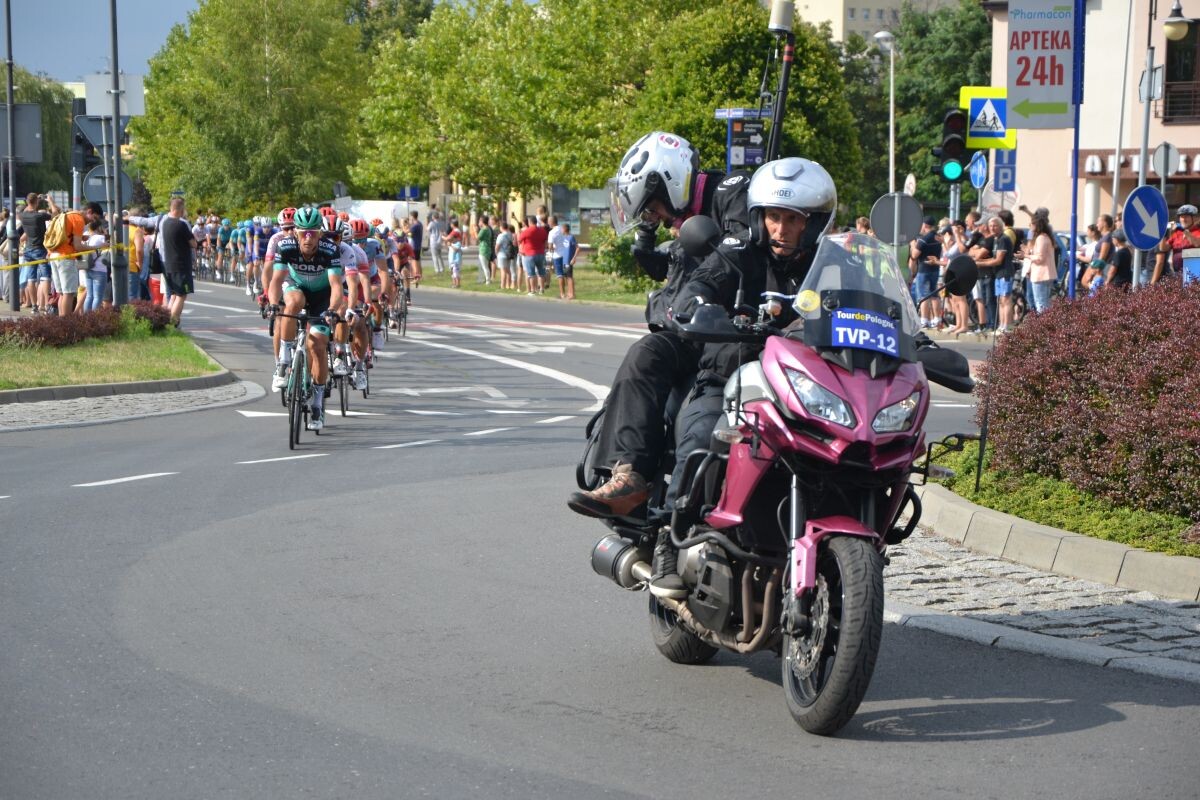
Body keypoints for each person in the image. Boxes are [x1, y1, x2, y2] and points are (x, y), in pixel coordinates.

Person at [649, 156, 836, 597]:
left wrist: (914, 338)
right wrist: (697, 305)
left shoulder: (831, 264)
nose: (780, 229)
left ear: (813, 223)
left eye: (793, 219)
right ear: (758, 216)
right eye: (773, 217)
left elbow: (875, 303)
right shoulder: (739, 253)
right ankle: (667, 540)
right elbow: (701, 284)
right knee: (701, 440)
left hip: (804, 388)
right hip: (732, 380)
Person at [567, 131, 751, 521]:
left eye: (653, 208)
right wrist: (648, 248)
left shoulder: (732, 192)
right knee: (645, 354)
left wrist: (701, 288)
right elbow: (679, 267)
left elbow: (735, 250)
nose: (656, 218)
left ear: (671, 182)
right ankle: (628, 474)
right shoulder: (684, 219)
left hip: (735, 331)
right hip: (688, 331)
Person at [268, 206, 345, 431]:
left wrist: (332, 309)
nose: (308, 238)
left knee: (318, 347)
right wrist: (273, 304)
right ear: (295, 232)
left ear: (320, 233)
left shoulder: (330, 250)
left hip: (322, 297)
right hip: (297, 287)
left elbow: (336, 286)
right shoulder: (286, 246)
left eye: (313, 232)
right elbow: (276, 279)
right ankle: (283, 362)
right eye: (303, 232)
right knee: (291, 304)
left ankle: (318, 404)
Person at [1152, 204, 1200, 284]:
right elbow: (1163, 248)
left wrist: (1184, 231)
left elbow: (1197, 243)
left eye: (1186, 216)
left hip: (1194, 273)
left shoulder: (1197, 231)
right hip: (1178, 273)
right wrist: (1163, 234)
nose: (1183, 219)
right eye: (1181, 217)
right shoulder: (1177, 233)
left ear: (1194, 218)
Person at [909, 216, 942, 328]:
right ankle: (937, 319)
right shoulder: (938, 237)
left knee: (923, 296)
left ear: (925, 225)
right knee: (934, 294)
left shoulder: (924, 239)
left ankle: (924, 320)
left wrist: (913, 245)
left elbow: (914, 256)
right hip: (935, 268)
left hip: (924, 269)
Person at [1024, 213, 1057, 313]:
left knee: (1041, 303)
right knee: (1045, 303)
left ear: (1036, 225)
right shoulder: (1046, 237)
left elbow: (1040, 258)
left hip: (1040, 275)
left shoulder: (1041, 238)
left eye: (1031, 224)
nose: (1030, 226)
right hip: (1045, 275)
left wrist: (1027, 256)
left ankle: (1043, 327)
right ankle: (1047, 325)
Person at [517, 214, 547, 295]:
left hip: (529, 254)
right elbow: (545, 241)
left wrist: (520, 249)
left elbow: (519, 241)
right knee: (541, 272)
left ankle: (533, 290)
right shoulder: (542, 230)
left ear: (529, 222)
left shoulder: (526, 231)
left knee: (531, 273)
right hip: (540, 253)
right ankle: (542, 289)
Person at [556, 221, 577, 300]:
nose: (561, 230)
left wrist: (574, 258)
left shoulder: (571, 237)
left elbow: (577, 248)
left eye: (561, 228)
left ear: (565, 229)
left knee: (569, 277)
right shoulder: (563, 237)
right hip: (564, 260)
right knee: (566, 277)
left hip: (569, 260)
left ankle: (572, 294)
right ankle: (569, 293)